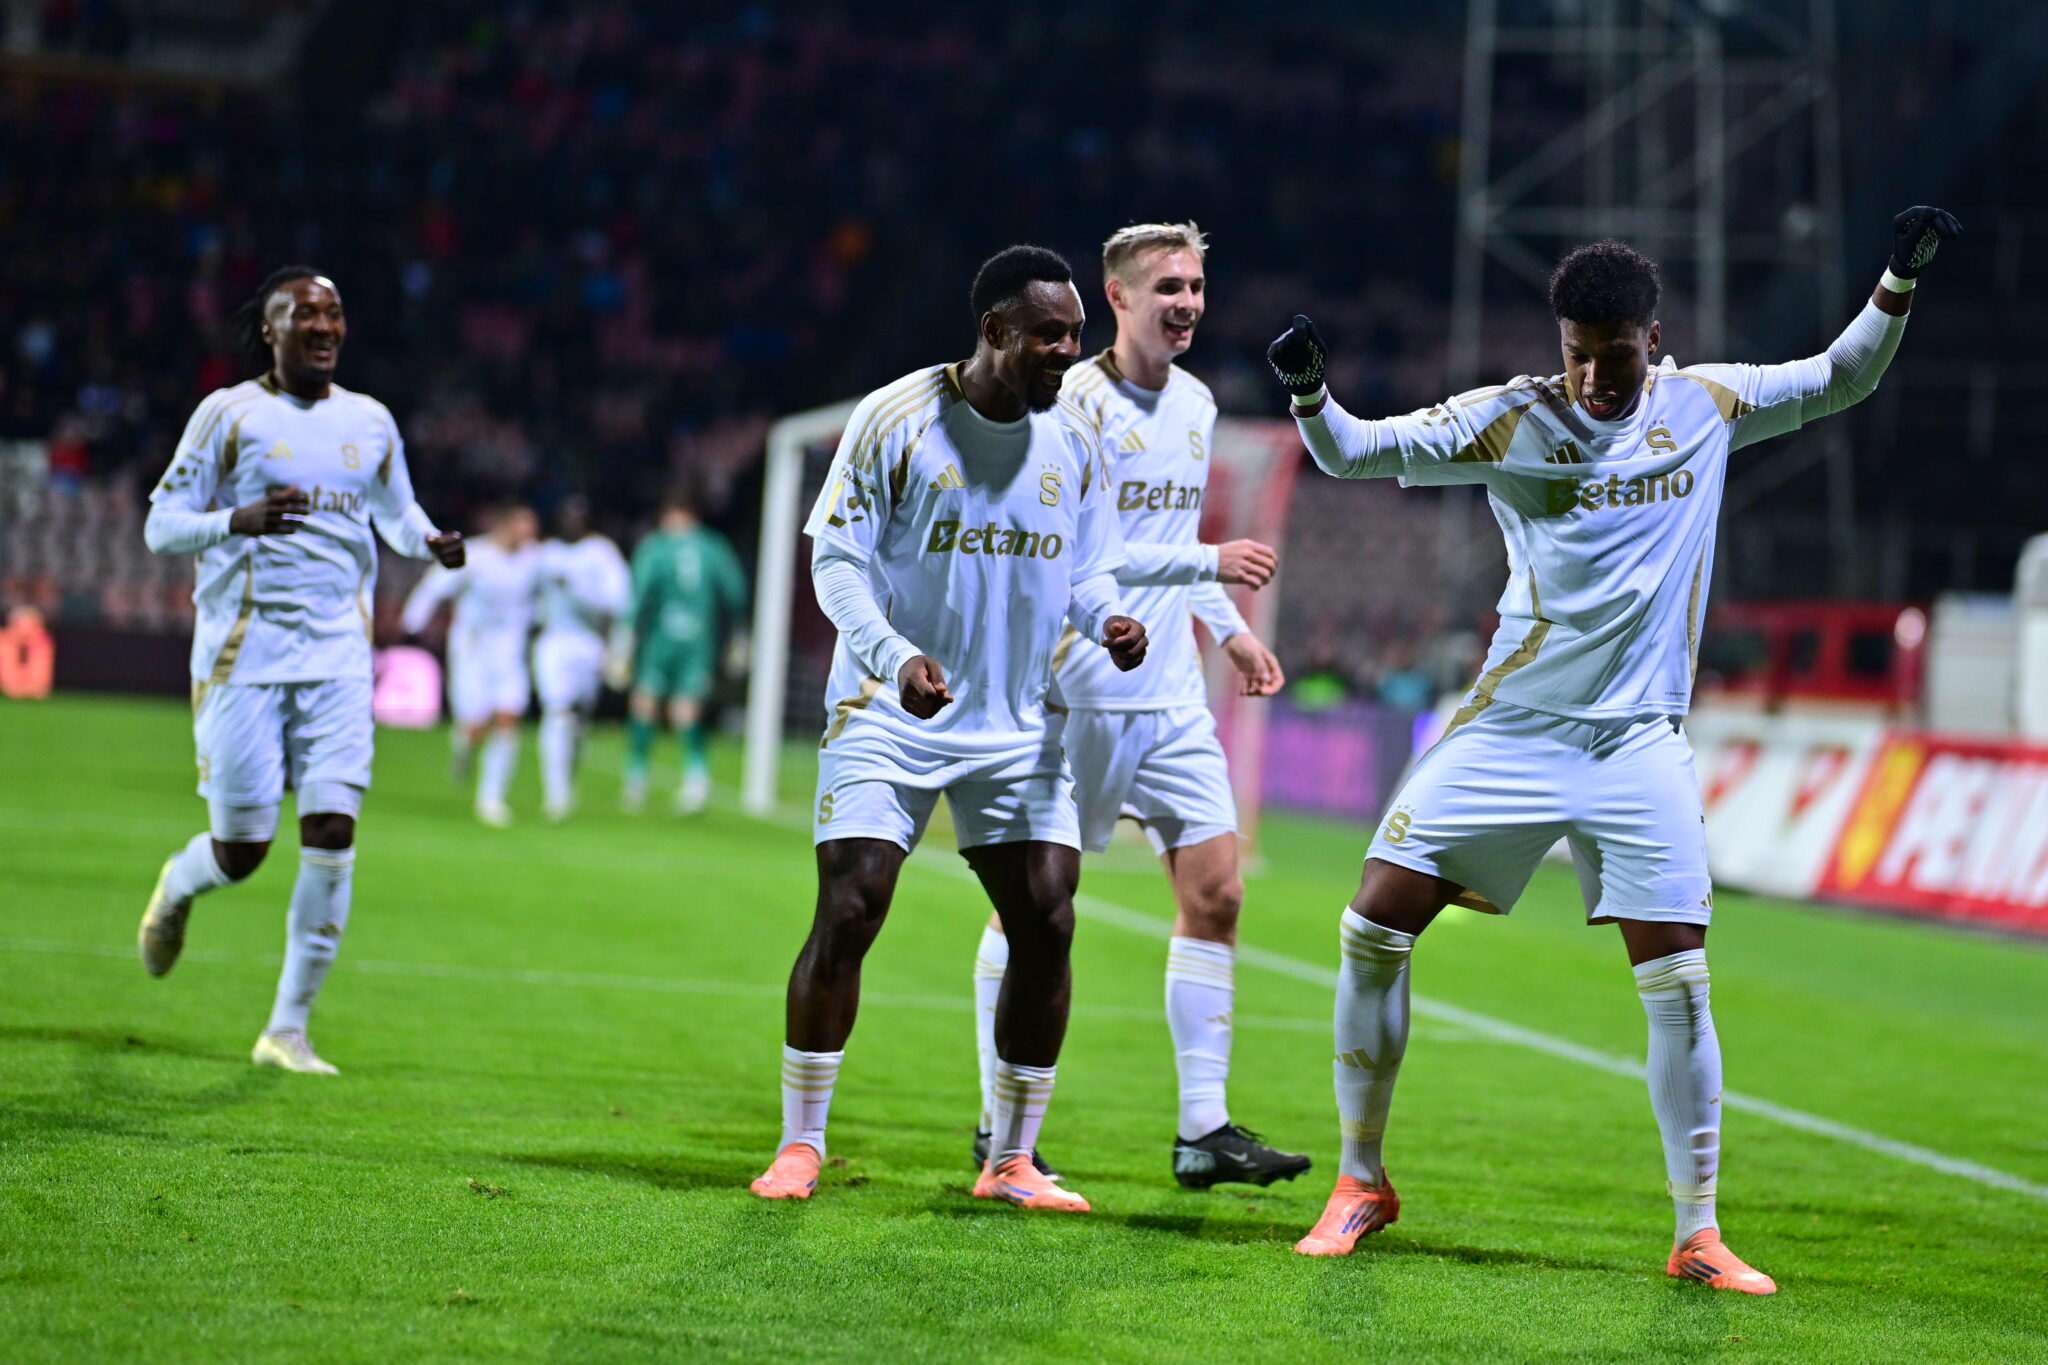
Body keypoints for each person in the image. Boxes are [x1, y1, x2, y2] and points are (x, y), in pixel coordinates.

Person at [1267, 206, 1961, 1290]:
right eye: (1577, 354)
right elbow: (1353, 453)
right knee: (1371, 926)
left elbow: (1841, 376)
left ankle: (1697, 1233)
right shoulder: (1509, 419)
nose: (1593, 377)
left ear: (1654, 338)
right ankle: (1361, 1178)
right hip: (1511, 728)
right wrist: (1312, 393)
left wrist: (1895, 282)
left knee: (1677, 982)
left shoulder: (1706, 404)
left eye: (1616, 354)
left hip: (1637, 744)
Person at [750, 245, 1148, 1211]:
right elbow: (837, 561)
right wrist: (894, 656)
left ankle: (1011, 1158)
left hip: (1015, 725)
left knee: (1047, 918)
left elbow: (1086, 568)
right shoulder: (896, 418)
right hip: (890, 710)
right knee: (852, 906)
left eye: (1076, 336)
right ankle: (801, 1143)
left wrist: (1108, 619)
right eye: (1050, 336)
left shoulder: (1078, 438)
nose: (1069, 352)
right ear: (994, 331)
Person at [965, 221, 1308, 1189]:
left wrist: (1227, 628)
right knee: (1035, 910)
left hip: (1171, 696)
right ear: (1116, 297)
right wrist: (1206, 561)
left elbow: (1173, 538)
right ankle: (999, 1122)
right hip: (1076, 690)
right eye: (1167, 287)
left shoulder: (1196, 403)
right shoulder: (1068, 401)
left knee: (1217, 893)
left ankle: (1204, 1129)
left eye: (1195, 285)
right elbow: (1078, 552)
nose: (1187, 303)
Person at [137, 266, 464, 1073]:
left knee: (332, 830)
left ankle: (286, 1028)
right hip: (243, 656)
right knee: (242, 849)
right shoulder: (229, 414)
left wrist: (429, 541)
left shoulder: (371, 420)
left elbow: (395, 512)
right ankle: (179, 885)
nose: (324, 325)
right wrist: (236, 520)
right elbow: (160, 526)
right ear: (270, 329)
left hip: (339, 660)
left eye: (334, 313)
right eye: (305, 313)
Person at [402, 502, 542, 826]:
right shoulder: (475, 554)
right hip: (472, 649)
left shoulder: (534, 559)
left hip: (510, 651)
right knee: (475, 724)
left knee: (507, 717)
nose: (531, 531)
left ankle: (491, 799)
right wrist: (412, 623)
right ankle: (464, 747)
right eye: (524, 524)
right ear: (506, 525)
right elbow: (434, 587)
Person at [620, 487, 747, 815]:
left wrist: (624, 638)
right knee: (686, 709)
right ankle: (696, 781)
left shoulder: (656, 546)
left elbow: (639, 593)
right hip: (699, 640)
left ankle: (636, 779)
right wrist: (739, 637)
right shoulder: (713, 546)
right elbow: (735, 593)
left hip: (660, 639)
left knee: (644, 703)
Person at [533, 496, 630, 821]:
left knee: (578, 722)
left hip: (588, 642)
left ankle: (567, 782)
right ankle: (556, 794)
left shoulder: (601, 553)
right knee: (557, 711)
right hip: (553, 640)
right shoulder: (546, 553)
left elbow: (618, 601)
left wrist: (577, 590)